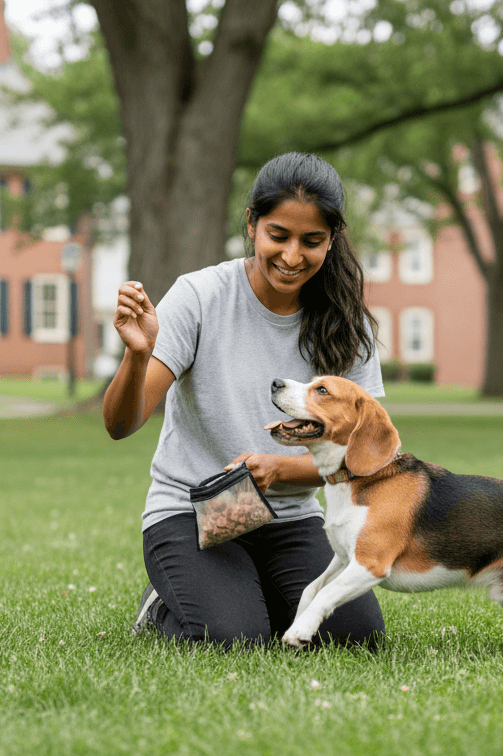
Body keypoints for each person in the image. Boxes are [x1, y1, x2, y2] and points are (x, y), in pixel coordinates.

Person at [103, 152, 386, 648]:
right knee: (235, 637)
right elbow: (121, 424)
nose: (293, 256)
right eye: (279, 235)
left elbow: (370, 458)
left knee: (353, 635)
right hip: (194, 513)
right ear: (252, 224)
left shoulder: (346, 322)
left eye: (312, 241)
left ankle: (247, 592)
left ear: (332, 241)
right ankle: (164, 602)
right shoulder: (200, 296)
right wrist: (138, 356)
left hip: (293, 517)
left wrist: (281, 470)